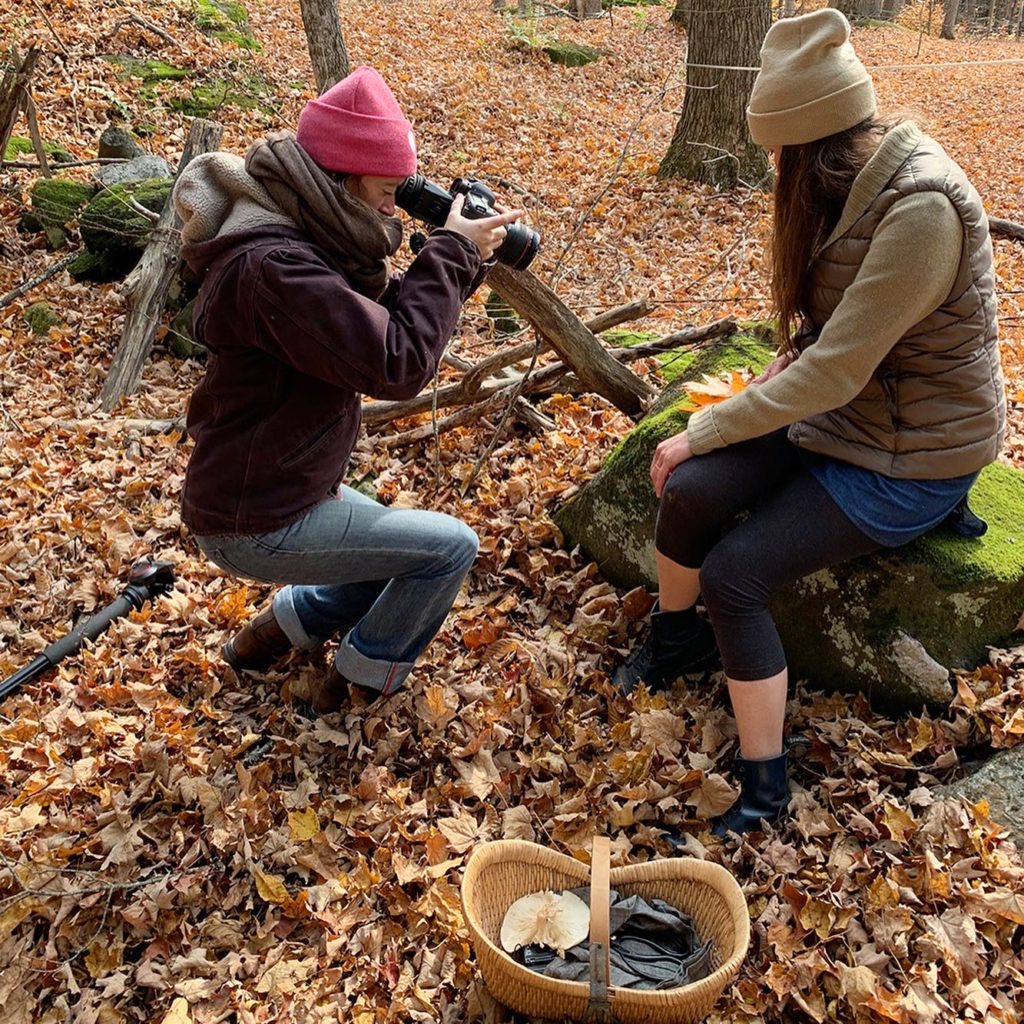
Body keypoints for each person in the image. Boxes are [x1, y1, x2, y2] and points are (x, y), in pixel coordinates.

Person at [614, 9, 1005, 836]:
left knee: (735, 575)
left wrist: (712, 427)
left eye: (778, 157)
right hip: (847, 418)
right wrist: (781, 369)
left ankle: (764, 790)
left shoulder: (921, 210)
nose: (774, 173)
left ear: (810, 145)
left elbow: (842, 366)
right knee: (688, 491)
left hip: (911, 455)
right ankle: (675, 640)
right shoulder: (849, 189)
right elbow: (829, 341)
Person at [172, 66, 523, 712]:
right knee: (450, 549)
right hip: (258, 518)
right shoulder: (275, 268)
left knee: (397, 547)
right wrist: (448, 252)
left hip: (281, 491)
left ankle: (273, 632)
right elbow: (397, 361)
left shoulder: (297, 238)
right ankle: (355, 689)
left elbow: (383, 316)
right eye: (387, 191)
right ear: (340, 177)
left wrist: (465, 257)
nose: (392, 208)